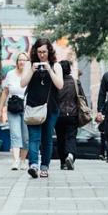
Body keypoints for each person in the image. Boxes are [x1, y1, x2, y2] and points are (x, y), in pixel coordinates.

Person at [20, 38, 65, 179]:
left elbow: (60, 85)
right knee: (34, 138)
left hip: (50, 108)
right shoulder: (29, 64)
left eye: (44, 52)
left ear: (49, 51)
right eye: (39, 52)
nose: (42, 55)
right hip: (33, 107)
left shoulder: (56, 66)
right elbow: (22, 83)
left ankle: (44, 166)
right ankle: (33, 165)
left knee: (47, 139)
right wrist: (32, 71)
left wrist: (49, 69)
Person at [0, 53, 30, 170]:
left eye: (24, 60)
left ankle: (23, 160)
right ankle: (16, 160)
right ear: (16, 62)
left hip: (27, 109)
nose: (22, 62)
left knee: (26, 137)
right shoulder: (10, 74)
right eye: (20, 60)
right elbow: (5, 92)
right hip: (13, 108)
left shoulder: (30, 75)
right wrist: (0, 109)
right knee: (15, 134)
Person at [55, 60, 85, 170]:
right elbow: (82, 97)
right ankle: (70, 155)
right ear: (69, 70)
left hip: (58, 115)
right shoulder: (76, 82)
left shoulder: (56, 83)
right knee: (71, 137)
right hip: (72, 115)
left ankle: (63, 162)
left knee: (60, 138)